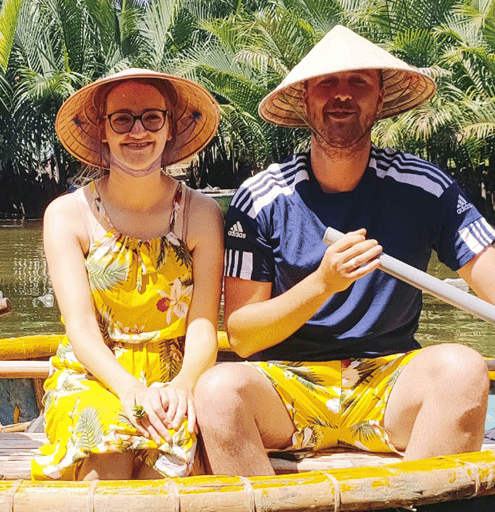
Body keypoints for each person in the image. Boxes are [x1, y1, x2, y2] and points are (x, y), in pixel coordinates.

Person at [196, 25, 495, 476]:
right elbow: (243, 334)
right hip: (286, 383)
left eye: (358, 82)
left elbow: (485, 269)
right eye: (327, 83)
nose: (342, 95)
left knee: (463, 369)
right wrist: (322, 284)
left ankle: (414, 503)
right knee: (217, 391)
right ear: (305, 100)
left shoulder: (424, 187)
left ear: (378, 101)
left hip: (388, 378)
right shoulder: (261, 198)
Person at [31, 68, 224, 480]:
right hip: (96, 373)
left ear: (170, 127)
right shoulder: (68, 215)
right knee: (110, 443)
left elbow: (204, 323)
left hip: (176, 373)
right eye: (122, 119)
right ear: (103, 130)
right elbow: (80, 327)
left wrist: (185, 384)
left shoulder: (201, 214)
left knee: (173, 456)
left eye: (152, 117)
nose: (138, 131)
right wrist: (129, 388)